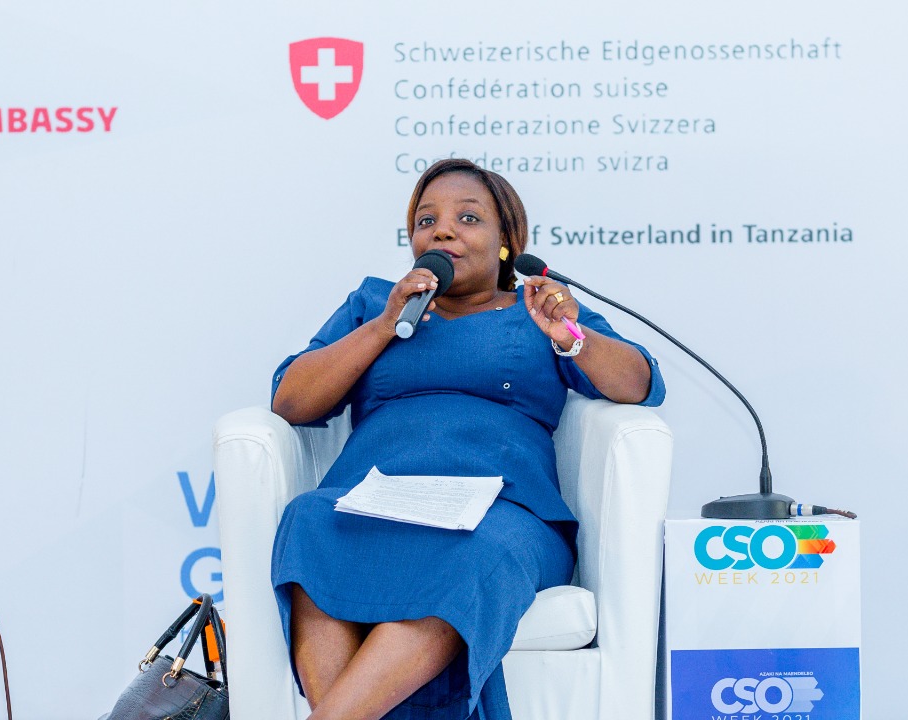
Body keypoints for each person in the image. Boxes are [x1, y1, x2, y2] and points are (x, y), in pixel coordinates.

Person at [270, 158, 665, 720]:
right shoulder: (374, 304)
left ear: (507, 242)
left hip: (499, 512)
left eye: (468, 218)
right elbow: (291, 400)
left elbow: (640, 384)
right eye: (426, 220)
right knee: (309, 521)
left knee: (478, 555)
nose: (443, 231)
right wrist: (384, 326)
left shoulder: (537, 310)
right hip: (374, 503)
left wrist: (570, 335)